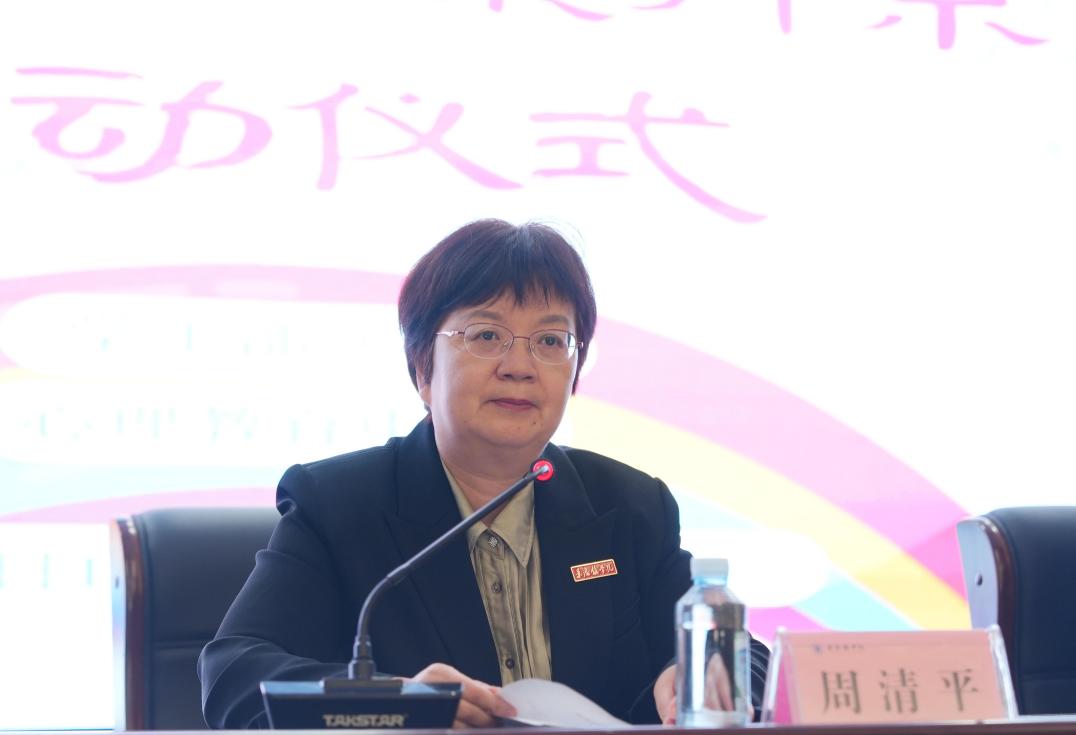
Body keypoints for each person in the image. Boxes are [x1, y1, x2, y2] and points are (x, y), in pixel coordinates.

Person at [198, 219, 769, 729]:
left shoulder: (629, 505)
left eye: (551, 341)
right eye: (486, 335)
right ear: (423, 368)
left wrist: (701, 673)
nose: (520, 366)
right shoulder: (339, 505)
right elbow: (234, 675)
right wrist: (395, 704)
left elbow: (751, 659)